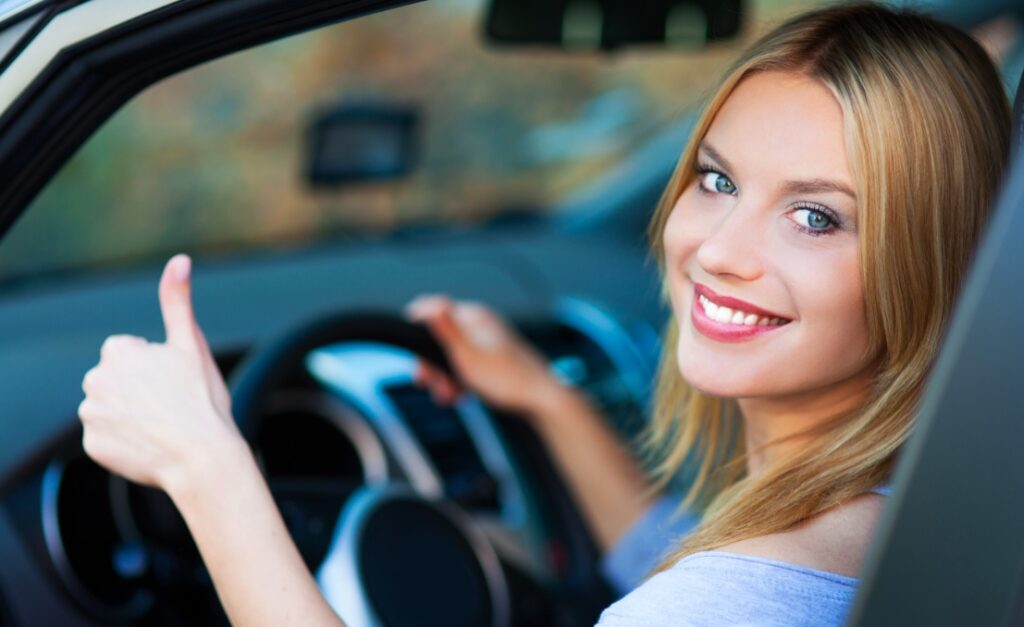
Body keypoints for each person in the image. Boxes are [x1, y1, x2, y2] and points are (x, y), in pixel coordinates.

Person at [77, 3, 1013, 626]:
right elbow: (679, 562)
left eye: (816, 215)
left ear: (932, 262)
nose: (720, 248)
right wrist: (547, 401)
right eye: (717, 179)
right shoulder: (892, 523)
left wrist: (204, 466)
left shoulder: (725, 604)